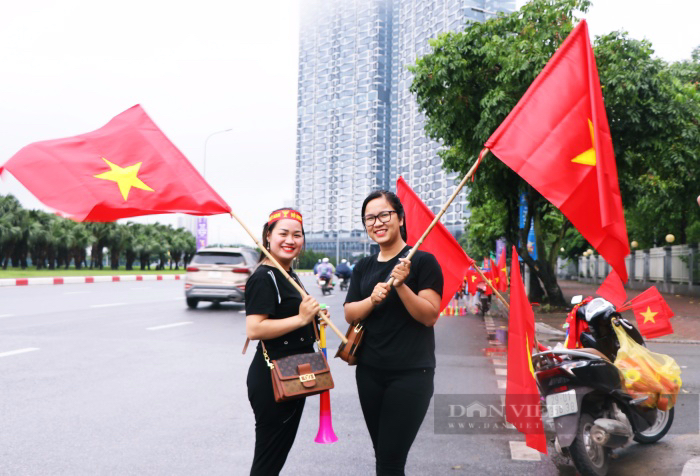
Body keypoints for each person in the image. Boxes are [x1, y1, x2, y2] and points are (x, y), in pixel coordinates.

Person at [344, 190, 443, 475]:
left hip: (411, 375)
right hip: (369, 373)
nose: (377, 222)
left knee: (389, 460)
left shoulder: (423, 262)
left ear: (400, 218)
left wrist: (401, 286)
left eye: (384, 214)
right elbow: (350, 312)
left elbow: (429, 316)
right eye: (370, 218)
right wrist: (371, 300)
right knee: (384, 456)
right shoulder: (363, 266)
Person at [245, 208, 326, 476]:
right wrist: (302, 319)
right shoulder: (264, 276)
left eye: (297, 234)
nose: (290, 240)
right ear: (268, 236)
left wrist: (314, 319)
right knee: (268, 460)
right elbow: (255, 328)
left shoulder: (287, 273)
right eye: (283, 233)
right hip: (273, 378)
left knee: (275, 457)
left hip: (292, 373)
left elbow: (293, 318)